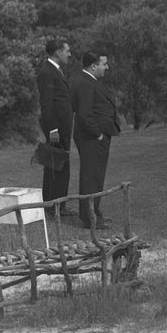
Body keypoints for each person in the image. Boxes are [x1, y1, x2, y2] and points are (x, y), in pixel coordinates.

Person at [70, 51, 122, 229]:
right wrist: (97, 133)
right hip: (91, 137)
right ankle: (90, 218)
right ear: (93, 66)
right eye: (104, 64)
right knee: (91, 177)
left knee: (95, 176)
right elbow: (84, 115)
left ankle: (94, 214)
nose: (107, 67)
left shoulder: (89, 81)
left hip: (94, 136)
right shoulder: (85, 83)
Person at [36, 39, 77, 219]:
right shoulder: (47, 72)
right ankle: (56, 206)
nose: (69, 54)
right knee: (57, 164)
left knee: (57, 164)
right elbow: (46, 104)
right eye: (67, 51)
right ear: (57, 52)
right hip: (57, 127)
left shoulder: (56, 70)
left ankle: (54, 205)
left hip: (62, 126)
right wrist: (53, 129)